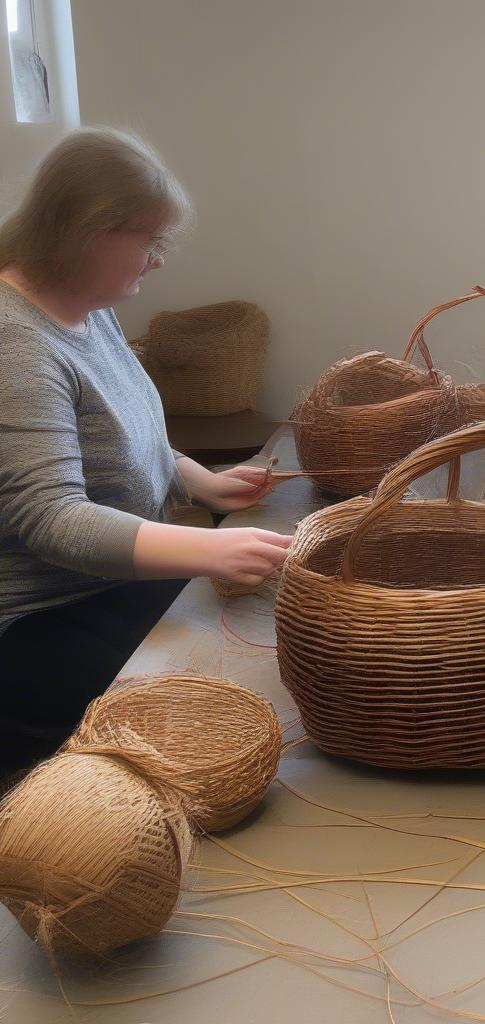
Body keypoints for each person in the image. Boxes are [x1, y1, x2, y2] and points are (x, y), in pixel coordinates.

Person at [0, 128, 291, 750]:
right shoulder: (15, 345)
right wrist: (209, 550)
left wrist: (201, 481)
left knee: (253, 638)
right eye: (151, 240)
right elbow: (53, 519)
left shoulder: (87, 302)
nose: (159, 258)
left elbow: (125, 430)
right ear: (90, 231)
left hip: (107, 586)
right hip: (38, 623)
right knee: (227, 693)